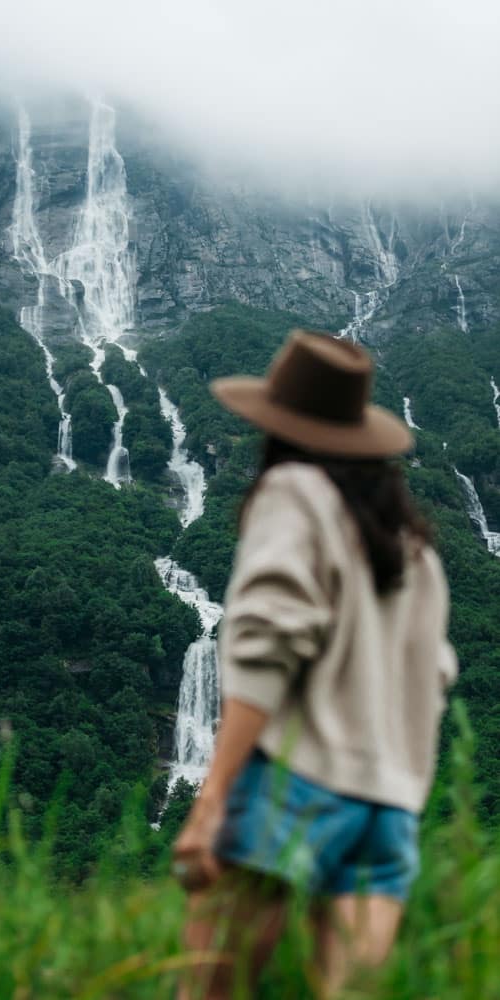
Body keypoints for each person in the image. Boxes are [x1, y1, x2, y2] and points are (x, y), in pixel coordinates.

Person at [172, 330, 458, 999]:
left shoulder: (294, 489)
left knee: (212, 991)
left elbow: (267, 641)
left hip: (292, 784)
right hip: (386, 809)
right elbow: (434, 676)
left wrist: (212, 797)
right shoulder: (417, 553)